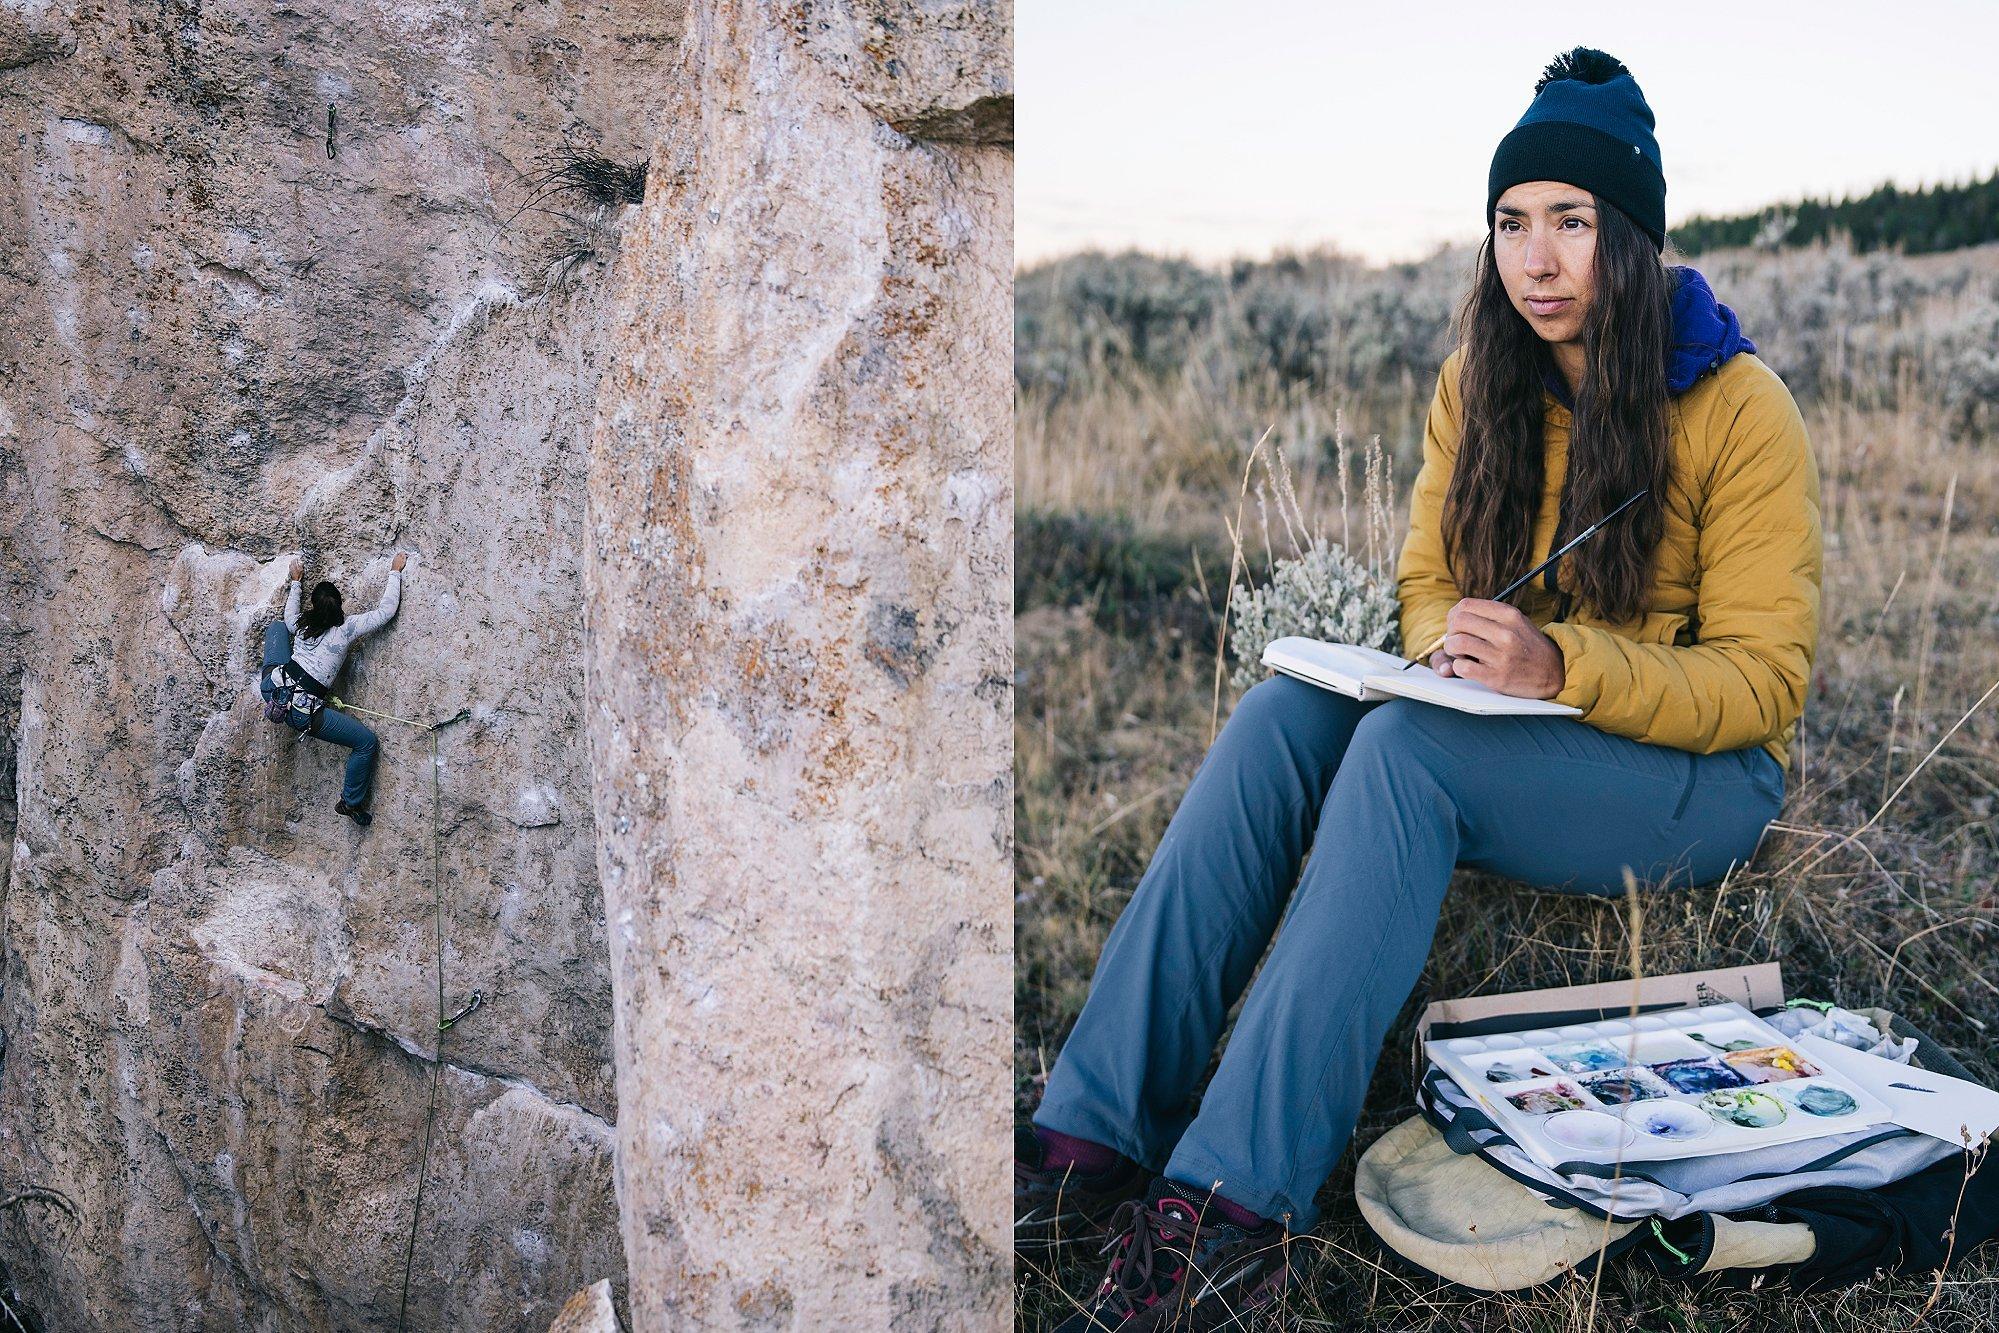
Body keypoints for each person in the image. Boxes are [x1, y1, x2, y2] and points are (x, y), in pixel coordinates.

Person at [1017, 47, 1823, 1331]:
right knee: (1288, 713)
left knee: (1405, 758)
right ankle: (1087, 1136)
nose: (1536, 260)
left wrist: (1560, 665)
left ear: (1631, 238)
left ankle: (1228, 1212)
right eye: (1511, 222)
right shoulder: (1478, 382)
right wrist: (1450, 645)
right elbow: (1426, 578)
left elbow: (1764, 680)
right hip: (1516, 728)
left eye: (1572, 222)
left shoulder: (1737, 409)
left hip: (1697, 780)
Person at [259, 552, 409, 828]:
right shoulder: (347, 628)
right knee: (366, 743)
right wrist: (395, 572)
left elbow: (288, 616)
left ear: (314, 607)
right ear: (339, 606)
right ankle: (350, 802)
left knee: (278, 628)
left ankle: (268, 678)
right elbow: (385, 612)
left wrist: (296, 582)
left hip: (273, 688)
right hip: (306, 715)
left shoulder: (303, 625)